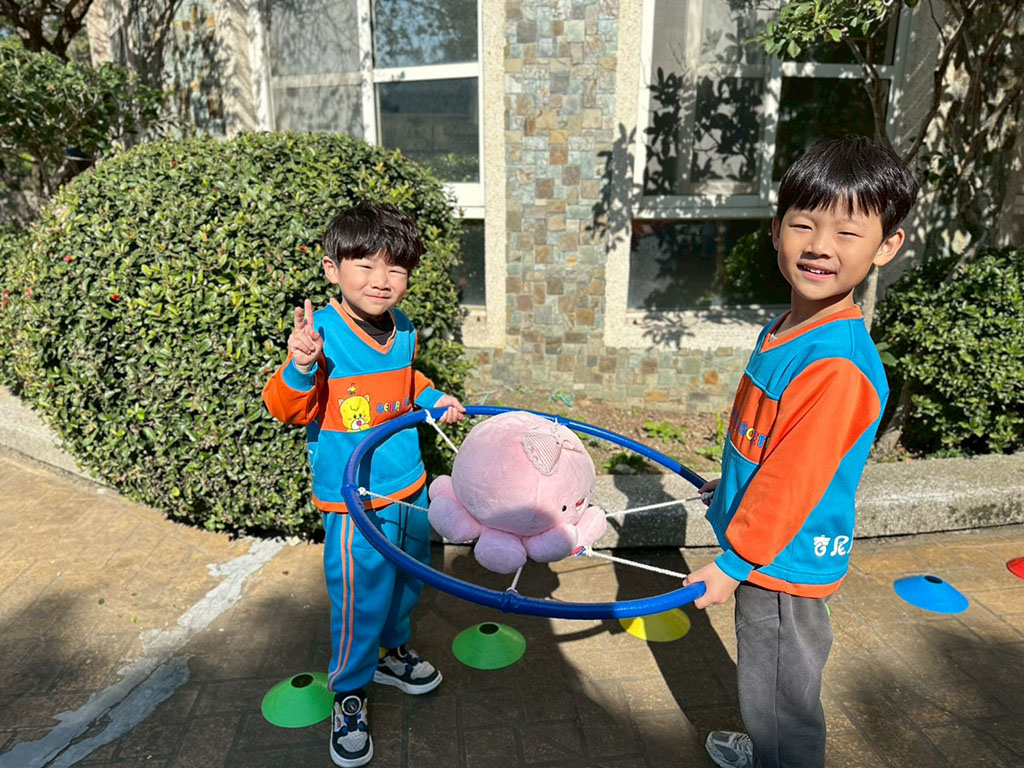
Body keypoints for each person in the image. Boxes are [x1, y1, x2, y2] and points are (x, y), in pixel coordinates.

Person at [683, 137, 919, 768]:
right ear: (776, 229)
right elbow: (771, 443)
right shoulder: (790, 327)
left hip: (783, 563)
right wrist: (732, 487)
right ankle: (770, 748)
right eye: (804, 224)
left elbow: (794, 479)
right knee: (767, 678)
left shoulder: (837, 365)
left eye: (848, 232)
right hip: (765, 546)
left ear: (886, 247)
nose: (820, 246)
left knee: (782, 693)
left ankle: (781, 755)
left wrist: (735, 563)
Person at [263, 202, 465, 768]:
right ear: (333, 269)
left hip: (410, 485)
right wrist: (301, 365)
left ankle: (392, 654)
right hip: (355, 502)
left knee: (408, 581)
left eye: (396, 268)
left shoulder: (403, 327)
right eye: (366, 266)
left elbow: (407, 382)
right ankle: (349, 692)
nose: (382, 280)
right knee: (359, 597)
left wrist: (433, 397)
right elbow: (285, 407)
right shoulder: (320, 335)